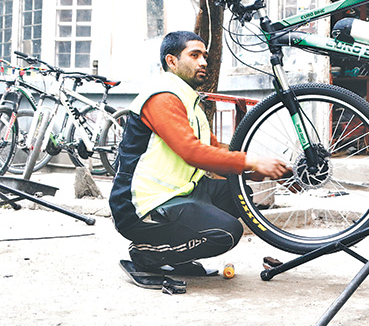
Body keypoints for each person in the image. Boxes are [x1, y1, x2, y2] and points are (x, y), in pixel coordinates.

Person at [109, 31, 290, 275]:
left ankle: (176, 254)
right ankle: (147, 254)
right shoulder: (162, 96)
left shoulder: (189, 100)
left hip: (180, 192)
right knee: (227, 232)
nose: (204, 62)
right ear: (172, 61)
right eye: (194, 55)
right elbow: (191, 152)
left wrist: (254, 170)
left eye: (205, 56)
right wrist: (251, 161)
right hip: (142, 205)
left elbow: (212, 150)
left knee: (239, 195)